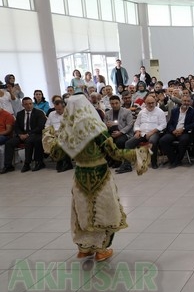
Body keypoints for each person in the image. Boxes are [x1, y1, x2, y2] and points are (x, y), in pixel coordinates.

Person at [42, 94, 150, 262]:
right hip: (100, 175)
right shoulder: (96, 129)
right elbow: (114, 153)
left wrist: (48, 135)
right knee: (104, 212)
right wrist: (138, 154)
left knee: (83, 211)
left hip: (80, 176)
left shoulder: (67, 130)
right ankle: (101, 250)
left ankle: (84, 249)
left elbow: (56, 154)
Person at [1, 97, 47, 173]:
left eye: (30, 104)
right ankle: (8, 166)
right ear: (23, 105)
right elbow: (16, 126)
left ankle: (27, 163)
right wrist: (20, 134)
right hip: (22, 134)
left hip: (35, 133)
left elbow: (40, 126)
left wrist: (28, 134)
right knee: (9, 143)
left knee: (29, 141)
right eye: (26, 104)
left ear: (32, 104)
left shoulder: (39, 113)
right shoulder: (20, 114)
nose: (28, 106)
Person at [158, 93, 194, 168]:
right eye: (184, 101)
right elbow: (170, 124)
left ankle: (177, 160)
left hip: (185, 132)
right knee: (163, 140)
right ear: (181, 101)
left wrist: (183, 129)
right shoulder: (174, 111)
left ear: (190, 102)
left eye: (188, 101)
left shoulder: (193, 111)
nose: (186, 103)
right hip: (174, 131)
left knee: (184, 140)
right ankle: (173, 159)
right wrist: (173, 130)